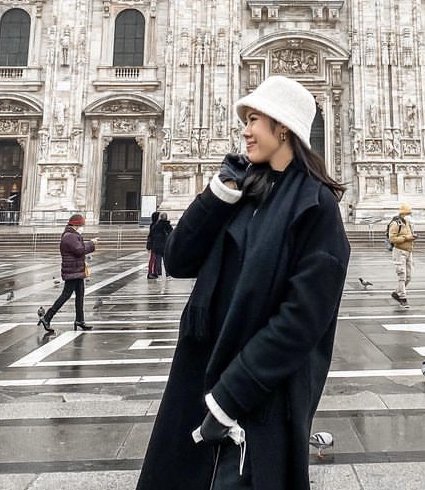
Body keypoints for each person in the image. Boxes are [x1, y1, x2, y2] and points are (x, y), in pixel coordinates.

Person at [135, 75, 350, 490]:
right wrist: (217, 194)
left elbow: (303, 319)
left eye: (254, 119)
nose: (245, 131)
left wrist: (230, 397)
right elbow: (178, 259)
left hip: (258, 393)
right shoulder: (244, 192)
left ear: (283, 126)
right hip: (202, 378)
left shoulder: (315, 206)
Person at [37, 213, 98, 334]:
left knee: (80, 295)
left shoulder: (72, 235)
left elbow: (78, 249)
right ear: (76, 225)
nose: (82, 227)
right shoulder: (69, 236)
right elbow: (79, 250)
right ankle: (47, 317)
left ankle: (80, 320)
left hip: (76, 271)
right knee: (65, 295)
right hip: (72, 271)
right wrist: (91, 243)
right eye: (81, 225)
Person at [388, 203, 415, 309]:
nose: (410, 215)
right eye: (408, 213)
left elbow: (408, 235)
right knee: (402, 276)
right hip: (399, 252)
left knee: (409, 277)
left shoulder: (407, 223)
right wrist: (407, 238)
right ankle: (403, 299)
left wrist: (412, 237)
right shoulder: (395, 224)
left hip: (408, 252)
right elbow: (392, 239)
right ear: (403, 213)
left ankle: (396, 293)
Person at [147, 212, 172, 279]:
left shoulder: (156, 225)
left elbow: (151, 235)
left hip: (157, 245)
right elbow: (171, 234)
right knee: (165, 260)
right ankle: (167, 274)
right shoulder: (167, 225)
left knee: (158, 260)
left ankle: (158, 273)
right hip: (164, 244)